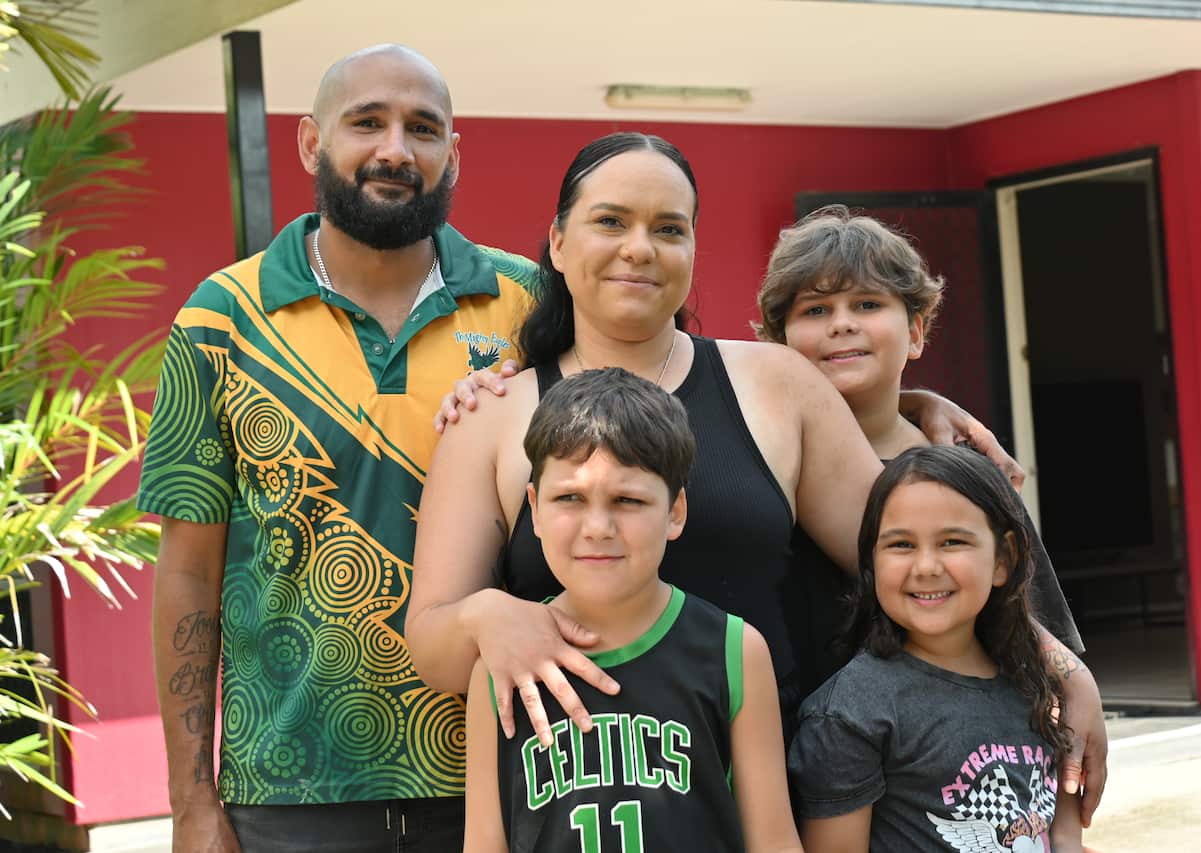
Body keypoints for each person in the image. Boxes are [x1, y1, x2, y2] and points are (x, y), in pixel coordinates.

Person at [404, 132, 1047, 753]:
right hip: (578, 803)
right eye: (610, 222)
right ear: (559, 244)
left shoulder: (780, 385)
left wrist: (1058, 671)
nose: (639, 248)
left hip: (774, 793)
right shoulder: (490, 417)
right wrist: (485, 617)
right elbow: (432, 637)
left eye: (668, 228)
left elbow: (909, 557)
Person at [139, 45, 537, 852]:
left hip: (506, 771)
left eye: (422, 128)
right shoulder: (221, 318)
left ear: (452, 155)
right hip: (288, 794)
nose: (396, 148)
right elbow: (187, 571)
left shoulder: (528, 305)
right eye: (368, 122)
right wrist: (190, 803)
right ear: (310, 144)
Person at [754, 208, 1104, 823]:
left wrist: (1078, 686)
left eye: (867, 305)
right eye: (814, 310)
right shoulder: (760, 467)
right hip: (812, 774)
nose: (841, 325)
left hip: (963, 777)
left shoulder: (964, 471)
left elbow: (1034, 625)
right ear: (778, 344)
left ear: (916, 332)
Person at [464, 367, 801, 852]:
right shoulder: (499, 666)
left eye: (627, 499)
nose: (598, 527)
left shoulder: (735, 650)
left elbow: (773, 842)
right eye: (570, 498)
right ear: (534, 510)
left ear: (675, 512)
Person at [788, 445, 1084, 852]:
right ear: (872, 561)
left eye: (951, 541)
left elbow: (1065, 836)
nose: (926, 566)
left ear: (1004, 558)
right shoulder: (850, 713)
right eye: (901, 545)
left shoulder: (1034, 685)